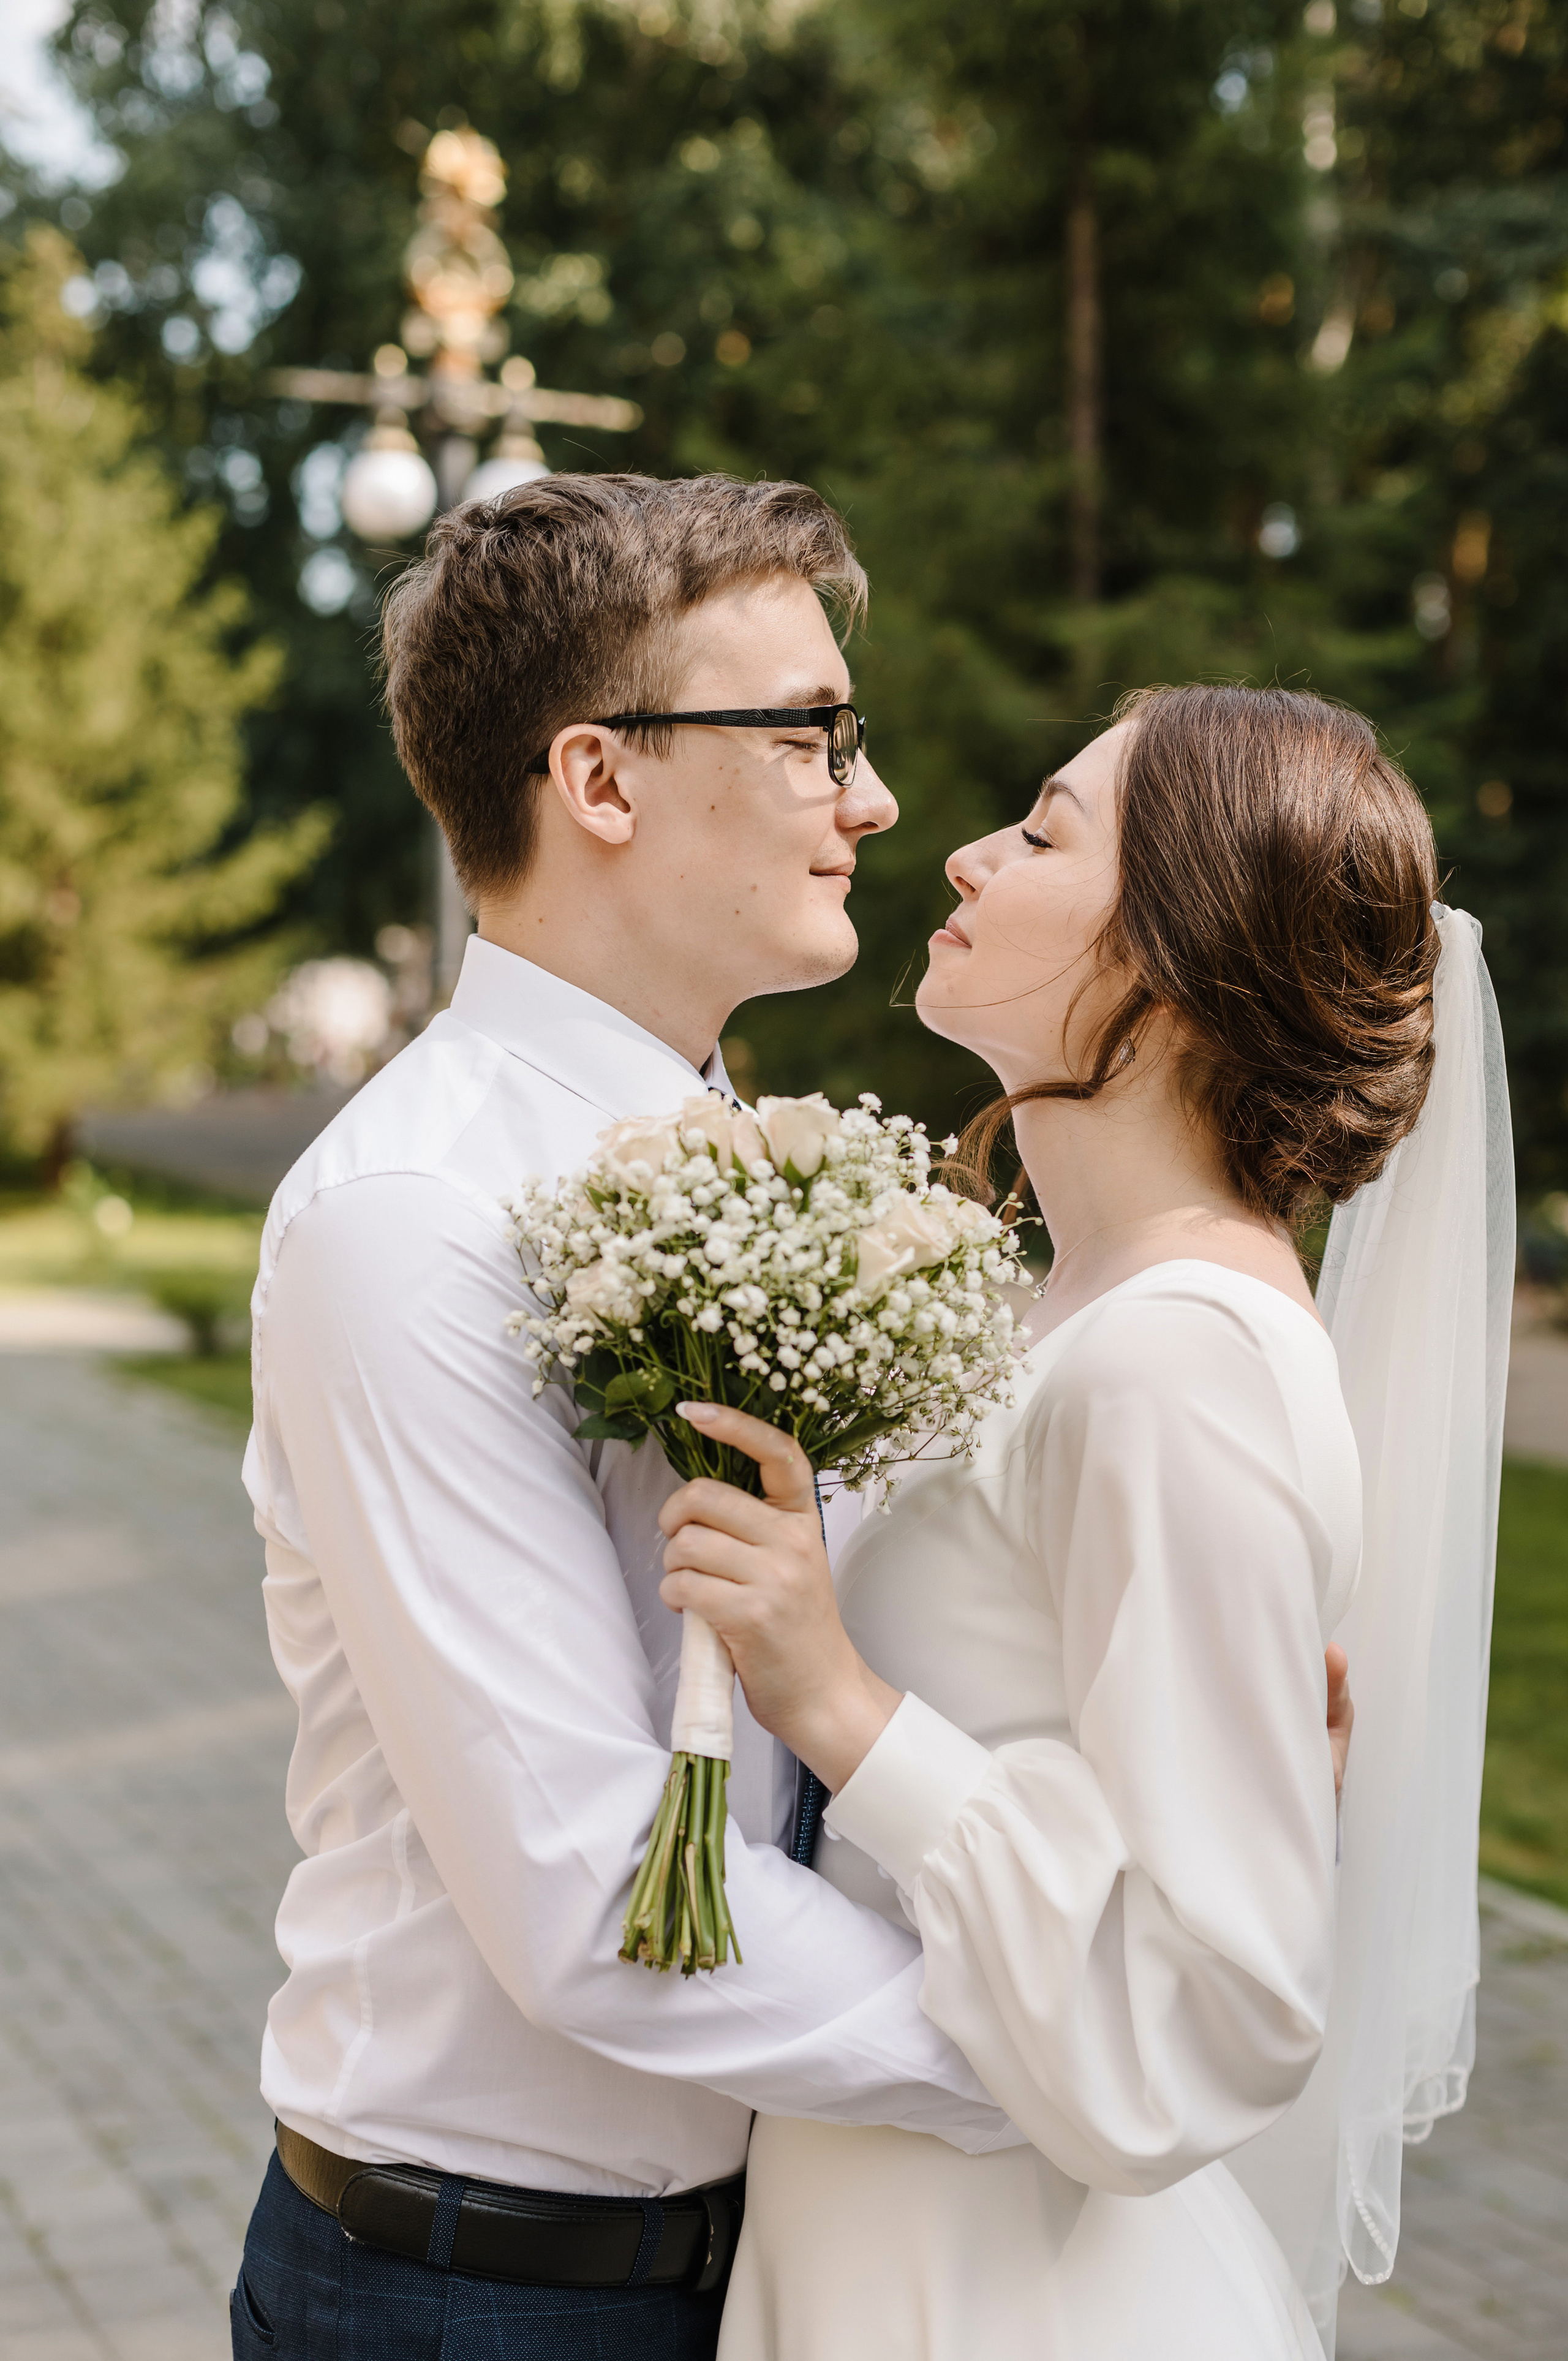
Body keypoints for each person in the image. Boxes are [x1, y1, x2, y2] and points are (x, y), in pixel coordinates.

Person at [232, 481, 1357, 2361]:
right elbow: (600, 1900)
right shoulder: (412, 1221)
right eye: (812, 734)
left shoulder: (752, 1166)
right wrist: (1095, 2047)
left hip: (757, 2261)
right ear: (601, 781)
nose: (878, 796)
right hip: (486, 2291)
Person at [657, 684, 1507, 2361]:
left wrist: (841, 1708)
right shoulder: (1068, 1312)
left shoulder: (1177, 1362)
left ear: (1176, 954)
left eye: (1045, 832)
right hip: (890, 2235)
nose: (963, 853)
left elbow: (1225, 2006)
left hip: (1013, 2289)